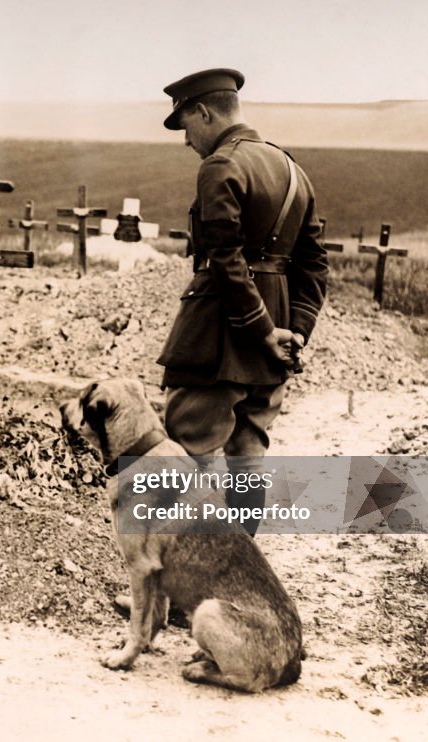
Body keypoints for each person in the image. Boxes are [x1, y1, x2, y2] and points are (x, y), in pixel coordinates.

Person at [156, 68, 328, 536]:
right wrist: (293, 333)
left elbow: (225, 255)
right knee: (249, 462)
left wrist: (258, 328)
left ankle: (171, 600)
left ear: (204, 112)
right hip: (274, 342)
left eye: (186, 125)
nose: (186, 140)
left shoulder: (220, 165)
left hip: (218, 336)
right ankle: (235, 588)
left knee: (184, 456)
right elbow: (314, 263)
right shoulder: (293, 169)